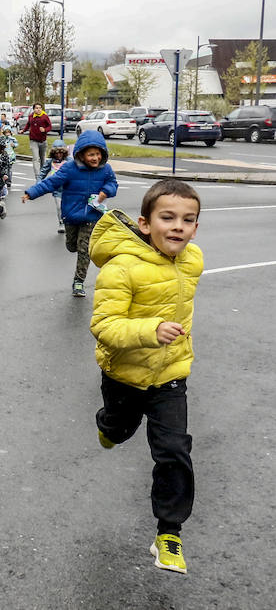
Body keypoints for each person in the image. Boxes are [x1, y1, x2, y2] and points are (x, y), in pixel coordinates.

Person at [89, 179, 203, 575]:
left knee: (174, 450)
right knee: (119, 430)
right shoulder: (121, 268)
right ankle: (108, 425)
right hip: (123, 374)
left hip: (170, 375)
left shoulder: (193, 260)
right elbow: (104, 326)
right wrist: (150, 331)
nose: (178, 227)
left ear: (196, 228)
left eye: (188, 220)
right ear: (144, 223)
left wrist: (168, 343)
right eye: (167, 218)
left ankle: (169, 532)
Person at [21, 130, 118, 297]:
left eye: (98, 154)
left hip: (92, 216)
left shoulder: (106, 169)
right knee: (72, 245)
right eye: (91, 155)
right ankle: (71, 245)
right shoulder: (69, 168)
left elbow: (113, 183)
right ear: (81, 155)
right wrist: (31, 193)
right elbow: (50, 182)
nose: (95, 158)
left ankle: (79, 281)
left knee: (84, 249)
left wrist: (106, 191)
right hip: (71, 215)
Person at [38, 140, 70, 233]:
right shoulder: (50, 162)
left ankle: (69, 222)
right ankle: (61, 223)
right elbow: (43, 172)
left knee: (68, 207)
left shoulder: (69, 161)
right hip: (57, 189)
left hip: (69, 188)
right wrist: (39, 183)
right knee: (59, 207)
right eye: (56, 152)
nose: (58, 154)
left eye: (60, 152)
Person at [21, 103, 52, 179]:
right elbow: (28, 124)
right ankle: (37, 176)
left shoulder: (44, 117)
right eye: (37, 108)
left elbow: (50, 126)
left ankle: (42, 175)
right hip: (33, 140)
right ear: (34, 109)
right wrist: (23, 130)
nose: (38, 109)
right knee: (35, 158)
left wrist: (45, 129)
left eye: (40, 108)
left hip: (42, 141)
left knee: (42, 159)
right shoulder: (31, 116)